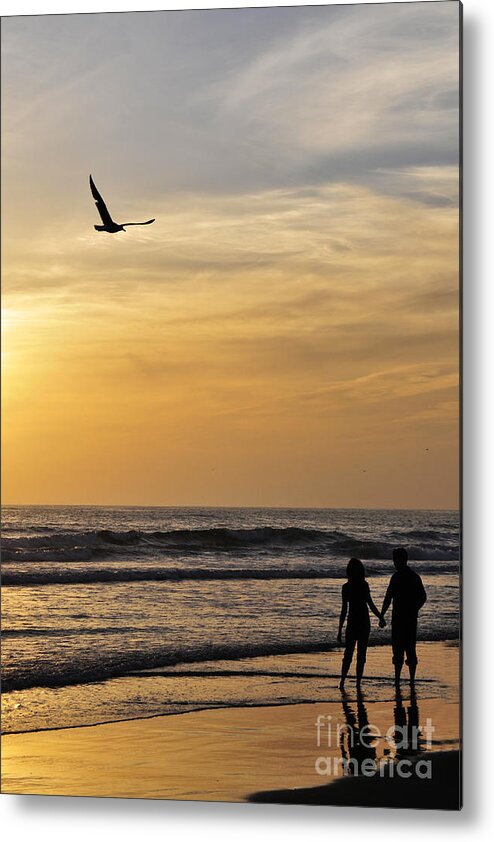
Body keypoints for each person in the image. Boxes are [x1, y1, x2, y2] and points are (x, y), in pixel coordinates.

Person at [380, 547, 427, 689]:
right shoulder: (414, 576)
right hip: (410, 619)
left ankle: (397, 680)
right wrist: (414, 609)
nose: (394, 563)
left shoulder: (396, 577)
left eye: (395, 560)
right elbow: (423, 597)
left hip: (399, 620)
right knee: (410, 649)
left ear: (399, 560)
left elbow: (388, 598)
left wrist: (382, 615)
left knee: (398, 650)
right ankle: (411, 680)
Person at [337, 557, 384, 691]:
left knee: (348, 654)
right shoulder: (364, 585)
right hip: (364, 622)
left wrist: (340, 629)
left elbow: (344, 610)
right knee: (361, 655)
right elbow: (371, 604)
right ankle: (358, 683)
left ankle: (342, 681)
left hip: (352, 623)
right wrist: (380, 617)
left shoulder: (346, 587)